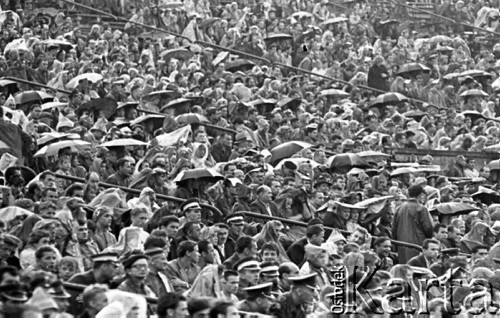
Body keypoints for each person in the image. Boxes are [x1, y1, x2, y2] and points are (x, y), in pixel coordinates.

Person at [393, 184, 434, 264]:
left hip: (402, 246)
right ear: (421, 195)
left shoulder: (399, 209)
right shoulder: (421, 208)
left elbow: (394, 229)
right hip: (418, 246)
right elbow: (428, 228)